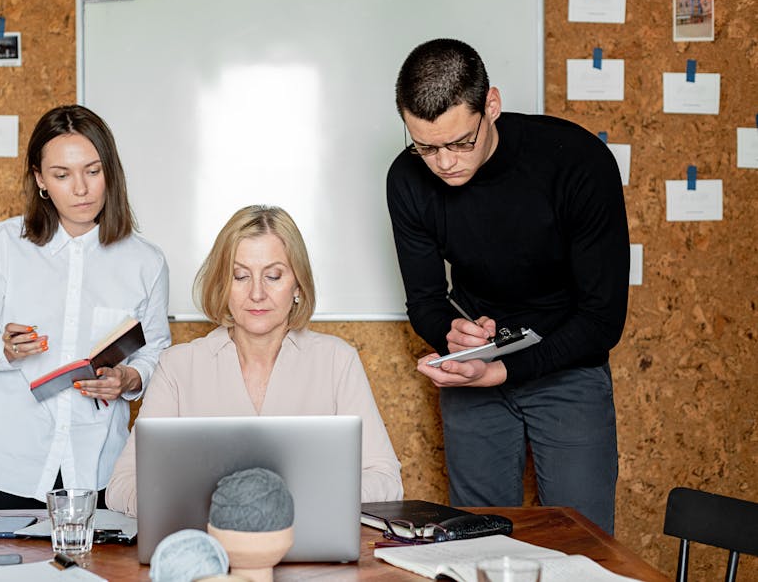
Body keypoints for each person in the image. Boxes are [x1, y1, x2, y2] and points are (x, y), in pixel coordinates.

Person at [386, 39, 629, 533]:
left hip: (569, 364)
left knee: (580, 541)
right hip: (477, 368)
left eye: (460, 142)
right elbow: (426, 301)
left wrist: (506, 371)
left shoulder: (578, 162)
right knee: (476, 540)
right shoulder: (408, 179)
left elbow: (603, 319)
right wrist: (452, 334)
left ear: (490, 106)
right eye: (426, 146)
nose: (444, 162)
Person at [106, 205, 403, 515]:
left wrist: (290, 498)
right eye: (240, 276)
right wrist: (201, 502)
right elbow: (122, 485)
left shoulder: (337, 361)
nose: (257, 293)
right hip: (208, 553)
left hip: (312, 557)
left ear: (298, 285)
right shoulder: (178, 367)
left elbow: (386, 479)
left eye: (273, 276)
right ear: (223, 285)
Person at [0, 104, 172, 509]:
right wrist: (4, 349)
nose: (81, 189)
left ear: (111, 172)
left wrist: (129, 379)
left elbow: (156, 350)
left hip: (97, 468)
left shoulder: (146, 261)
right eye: (62, 175)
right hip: (1, 465)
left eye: (93, 170)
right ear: (40, 180)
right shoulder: (0, 247)